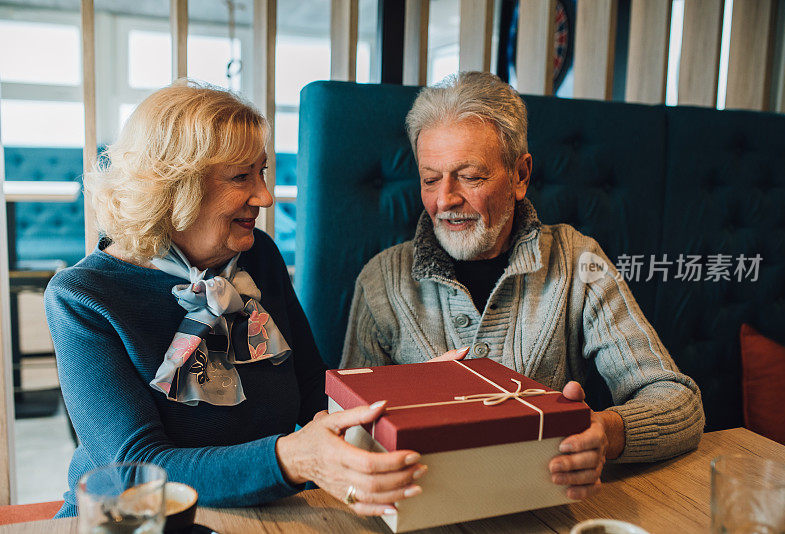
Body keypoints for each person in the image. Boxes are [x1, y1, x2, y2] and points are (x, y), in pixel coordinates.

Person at [45, 81, 436, 518]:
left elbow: (313, 392)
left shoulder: (257, 254)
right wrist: (291, 459)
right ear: (175, 186)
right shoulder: (82, 298)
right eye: (240, 177)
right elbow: (136, 473)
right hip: (132, 522)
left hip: (259, 512)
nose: (265, 196)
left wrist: (415, 393)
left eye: (262, 172)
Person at [341, 72, 705, 500]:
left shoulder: (577, 261)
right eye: (430, 178)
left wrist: (605, 433)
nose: (445, 200)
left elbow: (679, 402)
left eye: (470, 176)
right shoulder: (381, 281)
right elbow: (344, 434)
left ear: (520, 175)